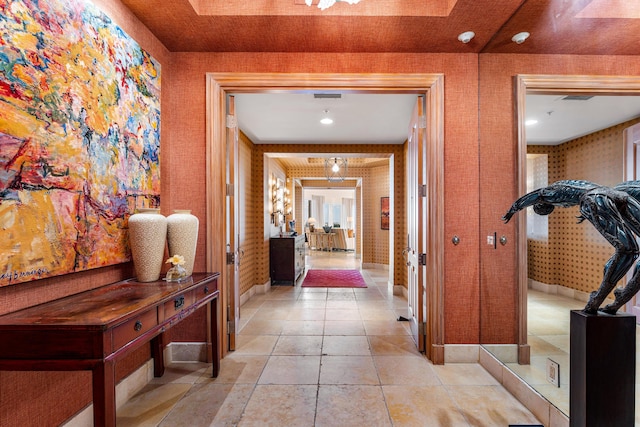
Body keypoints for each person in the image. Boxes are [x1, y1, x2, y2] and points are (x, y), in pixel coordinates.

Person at [503, 180, 640, 314]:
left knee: (626, 250)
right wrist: (588, 213)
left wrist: (513, 209)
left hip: (596, 198)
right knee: (629, 250)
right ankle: (618, 300)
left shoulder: (550, 193)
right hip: (612, 194)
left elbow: (536, 195)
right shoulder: (570, 189)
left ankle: (596, 301)